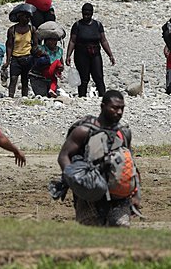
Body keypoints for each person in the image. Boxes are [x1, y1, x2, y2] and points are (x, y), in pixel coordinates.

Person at [57, 90, 138, 227]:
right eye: (114, 107)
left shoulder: (124, 133)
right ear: (102, 106)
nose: (118, 112)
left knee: (121, 228)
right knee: (90, 233)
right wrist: (75, 181)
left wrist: (135, 193)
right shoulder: (83, 131)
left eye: (122, 108)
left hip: (118, 193)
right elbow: (64, 156)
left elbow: (130, 162)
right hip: (89, 194)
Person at [66, 3, 116, 97]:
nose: (86, 16)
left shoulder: (97, 25)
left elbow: (103, 40)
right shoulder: (77, 25)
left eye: (88, 14)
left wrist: (110, 55)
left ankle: (102, 96)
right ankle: (82, 96)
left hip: (95, 54)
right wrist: (68, 55)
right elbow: (72, 41)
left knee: (98, 76)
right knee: (83, 77)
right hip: (81, 54)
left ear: (92, 13)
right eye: (84, 14)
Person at [3, 11, 36, 97]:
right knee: (13, 79)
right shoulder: (12, 30)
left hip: (27, 57)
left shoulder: (32, 29)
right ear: (20, 17)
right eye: (26, 17)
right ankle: (10, 97)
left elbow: (35, 45)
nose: (28, 19)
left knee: (25, 80)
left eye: (29, 17)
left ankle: (24, 97)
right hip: (15, 58)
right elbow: (9, 46)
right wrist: (7, 60)